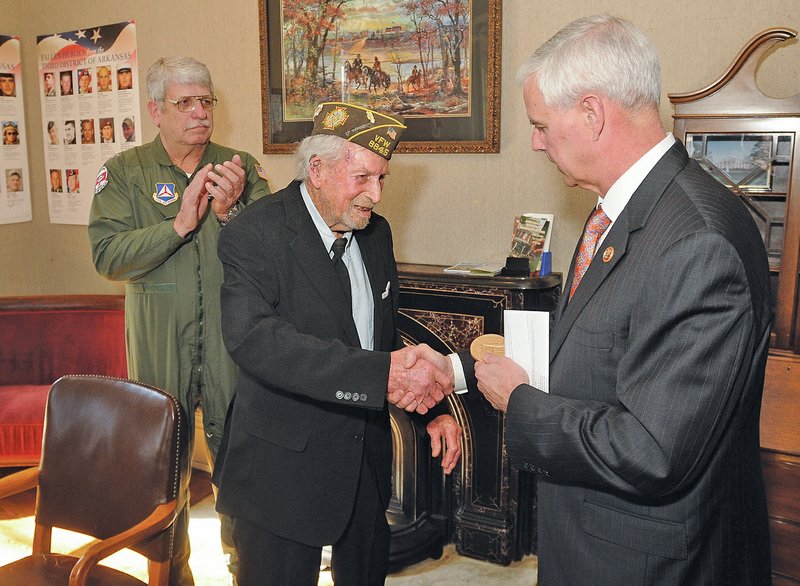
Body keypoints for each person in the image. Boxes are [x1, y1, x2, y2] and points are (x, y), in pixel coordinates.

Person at [446, 15, 773, 585]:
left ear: (593, 113)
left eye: (542, 124)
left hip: (648, 561)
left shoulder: (697, 239)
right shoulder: (623, 209)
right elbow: (592, 338)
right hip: (598, 542)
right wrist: (458, 369)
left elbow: (651, 450)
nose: (535, 141)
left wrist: (519, 402)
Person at [212, 102, 462, 586]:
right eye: (363, 177)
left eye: (382, 179)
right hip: (282, 470)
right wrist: (381, 375)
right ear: (318, 170)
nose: (376, 194)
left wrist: (432, 408)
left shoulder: (375, 234)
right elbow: (255, 339)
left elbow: (381, 341)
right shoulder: (255, 233)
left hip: (364, 463)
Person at [88, 56, 271, 586]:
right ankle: (172, 575)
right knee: (160, 471)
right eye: (184, 102)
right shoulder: (124, 173)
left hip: (228, 341)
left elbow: (278, 257)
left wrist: (232, 213)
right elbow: (107, 256)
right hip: (157, 341)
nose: (199, 112)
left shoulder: (240, 168)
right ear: (155, 111)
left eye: (206, 101)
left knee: (238, 466)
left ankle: (248, 574)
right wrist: (179, 225)